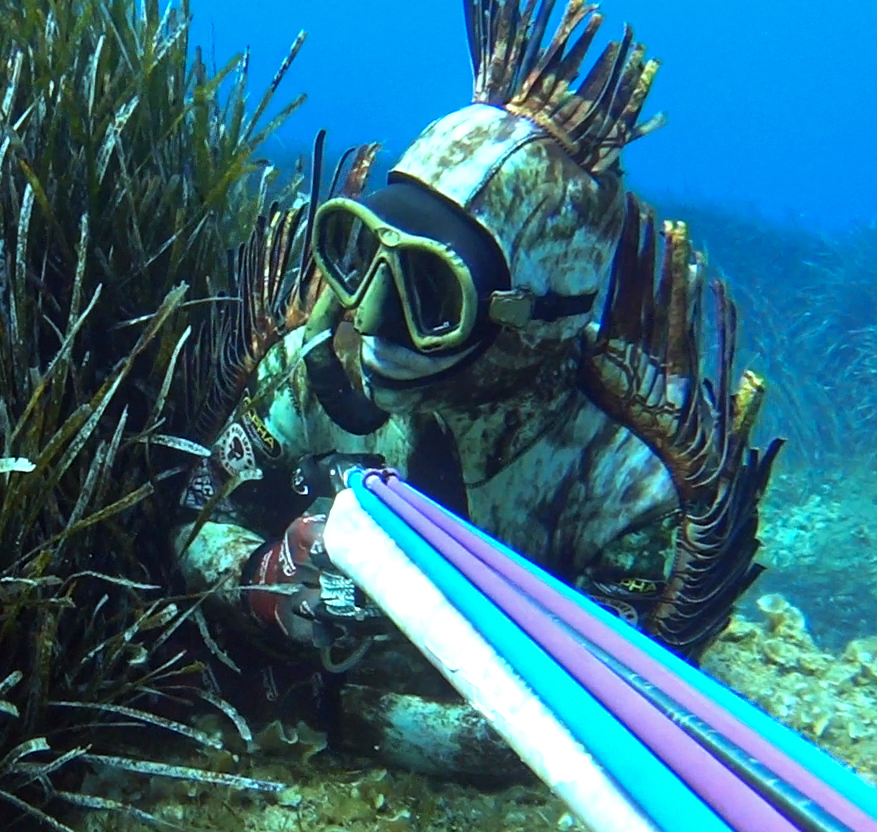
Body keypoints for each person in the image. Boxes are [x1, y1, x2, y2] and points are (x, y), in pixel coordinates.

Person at [172, 0, 780, 776]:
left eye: (432, 293)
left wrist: (334, 709)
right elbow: (193, 519)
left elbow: (589, 716)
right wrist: (266, 578)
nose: (376, 319)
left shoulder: (626, 493)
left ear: (530, 318)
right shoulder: (309, 366)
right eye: (361, 255)